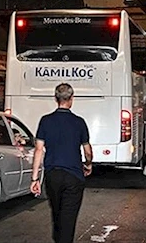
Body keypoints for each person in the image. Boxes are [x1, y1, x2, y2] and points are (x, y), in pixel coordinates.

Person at [30, 83, 93, 243]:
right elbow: (87, 150)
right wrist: (88, 164)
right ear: (71, 99)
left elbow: (39, 150)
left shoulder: (45, 121)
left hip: (53, 176)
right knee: (68, 219)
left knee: (57, 215)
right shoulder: (79, 122)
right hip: (74, 177)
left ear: (55, 98)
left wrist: (35, 178)